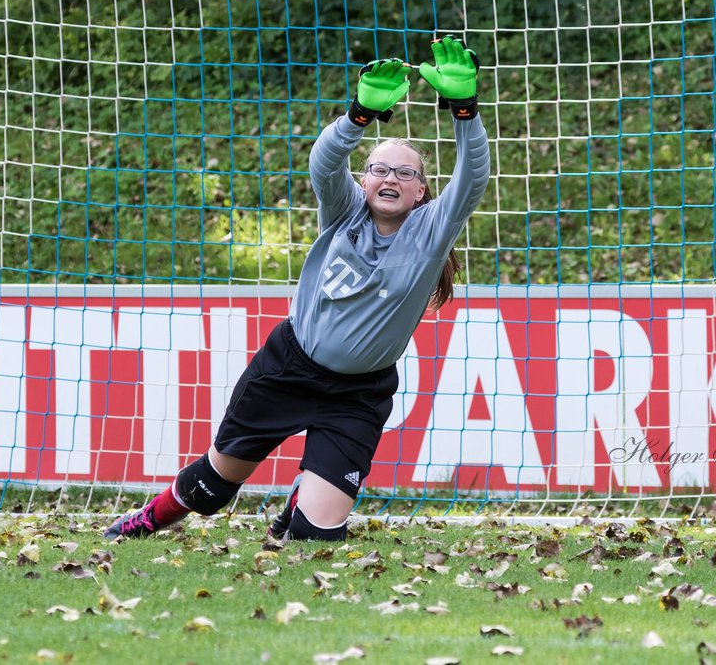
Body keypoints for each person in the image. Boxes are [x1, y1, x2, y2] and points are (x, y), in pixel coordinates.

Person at [105, 35, 490, 542]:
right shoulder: (344, 210)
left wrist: (464, 109)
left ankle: (302, 501)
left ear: (420, 190)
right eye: (379, 168)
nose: (390, 178)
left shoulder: (432, 231)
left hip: (358, 394)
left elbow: (473, 177)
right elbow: (323, 164)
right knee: (215, 487)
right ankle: (145, 520)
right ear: (365, 179)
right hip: (288, 368)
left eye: (405, 172)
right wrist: (357, 116)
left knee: (314, 536)